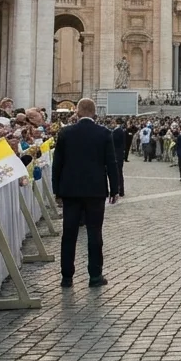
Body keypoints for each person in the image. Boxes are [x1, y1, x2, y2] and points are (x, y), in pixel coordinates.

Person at [52, 98, 121, 288]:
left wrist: (56, 189)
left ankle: (67, 276)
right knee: (94, 232)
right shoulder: (104, 133)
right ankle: (95, 275)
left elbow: (57, 163)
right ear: (94, 112)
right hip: (95, 190)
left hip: (70, 190)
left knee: (69, 233)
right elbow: (111, 163)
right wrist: (115, 189)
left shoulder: (66, 133)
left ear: (78, 112)